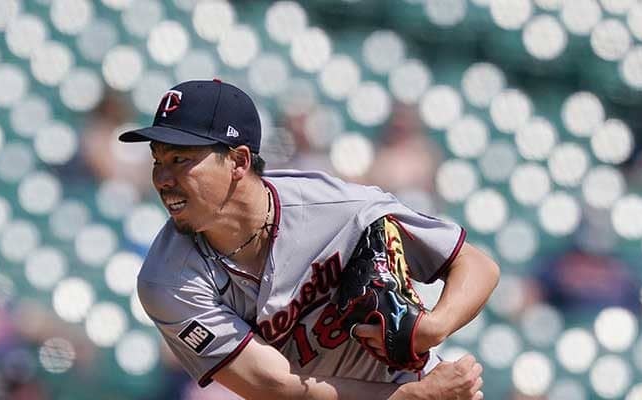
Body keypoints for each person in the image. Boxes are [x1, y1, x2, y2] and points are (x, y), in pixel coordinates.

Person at [119, 79, 499, 399]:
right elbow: (273, 385)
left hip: (414, 383)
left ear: (238, 162)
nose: (162, 179)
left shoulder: (336, 207)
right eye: (158, 160)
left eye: (180, 160)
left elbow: (476, 264)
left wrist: (434, 327)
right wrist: (409, 398)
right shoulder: (167, 279)